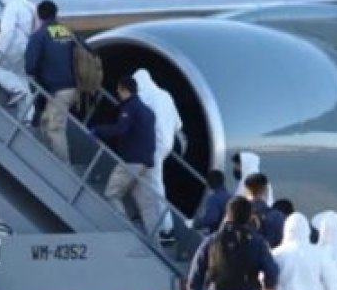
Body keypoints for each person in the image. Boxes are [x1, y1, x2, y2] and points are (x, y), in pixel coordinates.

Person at [92, 76, 158, 233]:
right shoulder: (148, 110)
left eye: (118, 89)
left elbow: (121, 128)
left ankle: (128, 230)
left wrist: (98, 130)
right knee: (146, 203)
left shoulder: (130, 107)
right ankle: (155, 241)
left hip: (132, 160)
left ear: (124, 89)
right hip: (146, 162)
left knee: (111, 193)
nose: (117, 93)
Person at [133, 68, 183, 241]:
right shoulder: (165, 95)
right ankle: (151, 220)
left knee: (154, 185)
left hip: (150, 146)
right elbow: (179, 124)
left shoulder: (143, 96)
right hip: (166, 145)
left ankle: (166, 228)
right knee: (146, 183)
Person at [25, 0, 77, 162]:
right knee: (45, 121)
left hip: (57, 89)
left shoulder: (39, 35)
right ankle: (49, 161)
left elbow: (30, 66)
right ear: (56, 14)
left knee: (55, 129)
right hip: (72, 87)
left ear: (39, 15)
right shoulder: (66, 31)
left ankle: (63, 169)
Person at [0, 0, 36, 109]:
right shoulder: (31, 6)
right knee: (21, 77)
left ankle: (16, 89)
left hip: (14, 45)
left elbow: (6, 33)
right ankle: (27, 116)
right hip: (28, 47)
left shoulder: (12, 7)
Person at [192, 170, 233, 235]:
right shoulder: (231, 196)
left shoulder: (213, 199)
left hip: (220, 235)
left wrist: (196, 223)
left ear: (210, 183)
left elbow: (212, 219)